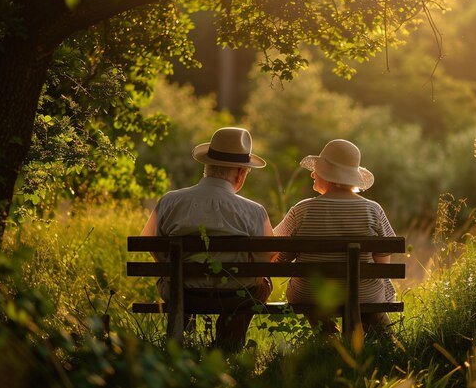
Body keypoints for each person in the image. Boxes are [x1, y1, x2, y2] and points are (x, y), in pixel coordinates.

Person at [141, 127, 274, 349]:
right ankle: (228, 343)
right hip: (235, 296)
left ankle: (179, 340)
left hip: (182, 293)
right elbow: (267, 257)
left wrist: (174, 269)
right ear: (241, 173)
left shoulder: (169, 201)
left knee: (172, 278)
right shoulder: (254, 211)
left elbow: (148, 242)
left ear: (207, 166)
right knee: (261, 285)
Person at [273, 139, 396, 334]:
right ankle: (380, 337)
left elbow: (275, 250)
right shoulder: (373, 210)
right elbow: (383, 264)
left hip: (311, 294)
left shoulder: (302, 210)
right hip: (363, 294)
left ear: (329, 176)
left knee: (310, 290)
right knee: (368, 290)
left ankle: (327, 335)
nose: (312, 174)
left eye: (317, 170)